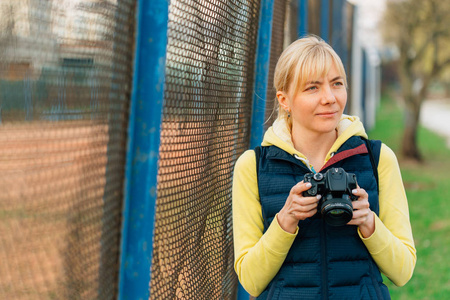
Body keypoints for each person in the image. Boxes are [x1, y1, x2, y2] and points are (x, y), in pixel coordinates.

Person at [232, 36, 416, 299]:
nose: (330, 98)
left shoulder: (377, 158)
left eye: (337, 84)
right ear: (284, 100)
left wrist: (368, 222)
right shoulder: (253, 167)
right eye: (312, 88)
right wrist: (286, 219)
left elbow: (403, 270)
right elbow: (250, 280)